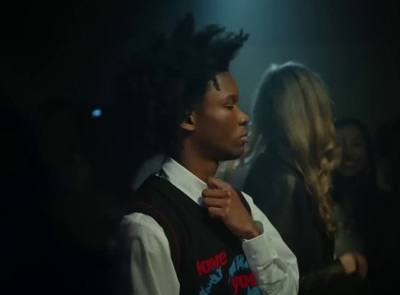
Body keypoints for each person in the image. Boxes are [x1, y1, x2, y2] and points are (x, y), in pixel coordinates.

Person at [116, 13, 299, 295]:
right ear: (187, 116)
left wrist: (251, 233)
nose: (244, 117)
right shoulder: (148, 225)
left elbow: (288, 288)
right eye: (229, 106)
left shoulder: (239, 202)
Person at [244, 62, 367, 295]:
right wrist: (342, 267)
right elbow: (275, 284)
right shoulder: (281, 178)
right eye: (322, 106)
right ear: (308, 112)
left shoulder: (286, 168)